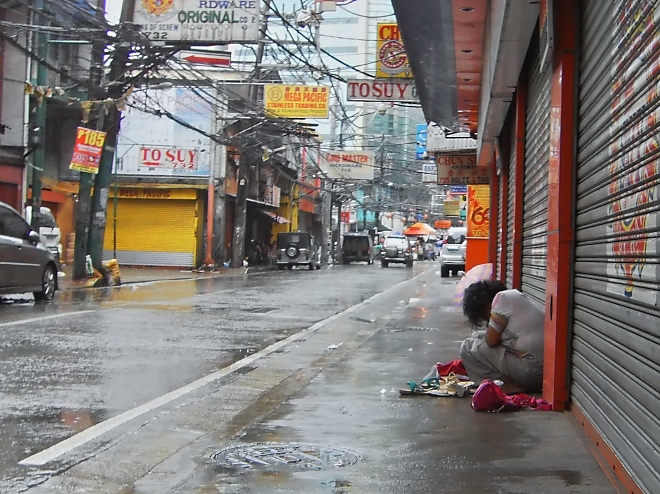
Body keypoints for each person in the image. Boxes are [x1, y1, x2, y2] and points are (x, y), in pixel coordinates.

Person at [460, 280, 545, 393]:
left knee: (467, 347)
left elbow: (491, 341)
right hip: (540, 369)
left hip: (532, 371)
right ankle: (507, 383)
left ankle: (507, 385)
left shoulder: (501, 299)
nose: (487, 319)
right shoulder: (514, 295)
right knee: (477, 336)